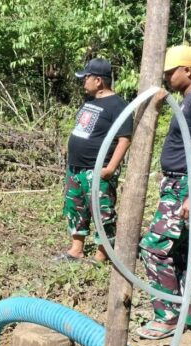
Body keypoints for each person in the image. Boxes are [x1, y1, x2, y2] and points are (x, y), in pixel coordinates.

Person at [137, 45, 191, 340]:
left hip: (187, 184)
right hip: (180, 183)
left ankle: (168, 316)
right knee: (181, 249)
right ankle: (185, 311)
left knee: (154, 248)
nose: (168, 77)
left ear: (188, 70)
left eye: (171, 72)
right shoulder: (189, 99)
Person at [55, 58, 133, 264]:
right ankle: (76, 249)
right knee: (75, 206)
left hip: (97, 169)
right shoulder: (90, 101)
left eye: (86, 78)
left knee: (101, 210)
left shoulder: (119, 106)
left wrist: (110, 168)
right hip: (76, 168)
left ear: (98, 81)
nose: (83, 82)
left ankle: (102, 254)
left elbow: (125, 139)